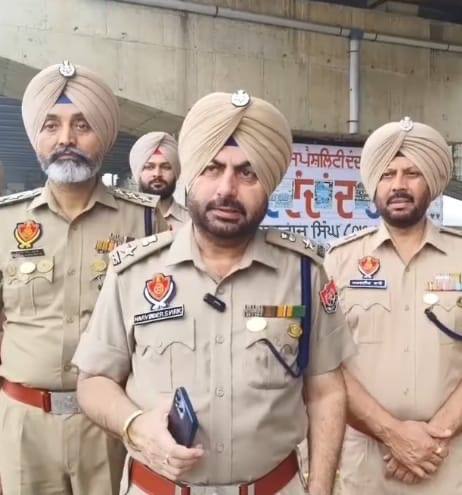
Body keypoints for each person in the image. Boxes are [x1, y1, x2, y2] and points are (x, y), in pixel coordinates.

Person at [73, 90, 356, 495]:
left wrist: (322, 488)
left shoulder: (304, 272)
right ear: (191, 175)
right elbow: (94, 380)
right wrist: (134, 426)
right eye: (212, 168)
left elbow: (326, 390)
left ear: (270, 184)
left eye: (247, 173)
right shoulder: (133, 271)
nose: (227, 189)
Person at [0, 60, 168, 495]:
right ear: (36, 136)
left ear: (104, 137)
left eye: (82, 124)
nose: (66, 139)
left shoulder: (146, 221)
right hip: (23, 424)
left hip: (109, 425)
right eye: (51, 125)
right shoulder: (5, 221)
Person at [324, 117, 462, 494]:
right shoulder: (340, 260)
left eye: (411, 173)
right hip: (366, 464)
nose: (398, 184)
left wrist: (435, 435)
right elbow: (325, 364)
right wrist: (393, 434)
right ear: (375, 185)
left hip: (448, 460)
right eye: (387, 174)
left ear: (431, 183)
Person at [130, 132, 189, 231]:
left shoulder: (194, 223)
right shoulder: (121, 219)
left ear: (176, 172)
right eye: (149, 167)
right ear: (139, 172)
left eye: (166, 167)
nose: (157, 174)